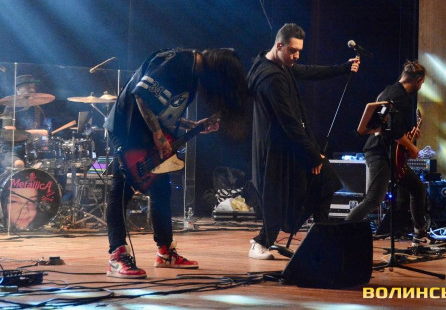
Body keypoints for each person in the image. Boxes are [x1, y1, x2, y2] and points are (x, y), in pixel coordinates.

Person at [104, 48, 248, 278]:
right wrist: (158, 135)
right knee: (120, 190)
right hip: (127, 128)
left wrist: (193, 126)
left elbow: (165, 114)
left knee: (161, 190)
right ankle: (116, 255)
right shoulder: (178, 61)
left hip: (146, 133)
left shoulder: (192, 76)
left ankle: (165, 252)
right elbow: (141, 95)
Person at [247, 23, 360, 259]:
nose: (296, 56)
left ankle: (319, 242)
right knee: (276, 199)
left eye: (299, 51)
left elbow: (307, 71)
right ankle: (261, 242)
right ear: (279, 46)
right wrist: (313, 154)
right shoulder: (271, 78)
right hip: (276, 150)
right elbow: (289, 121)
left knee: (325, 181)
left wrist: (342, 68)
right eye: (292, 51)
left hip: (286, 145)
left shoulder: (278, 64)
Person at [346, 60, 433, 246]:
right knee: (373, 200)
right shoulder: (400, 96)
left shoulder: (390, 90)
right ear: (418, 80)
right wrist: (413, 148)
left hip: (389, 154)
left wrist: (410, 134)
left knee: (417, 188)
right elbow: (394, 133)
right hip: (379, 152)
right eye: (422, 83)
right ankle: (340, 234)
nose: (421, 87)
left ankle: (420, 234)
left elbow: (392, 128)